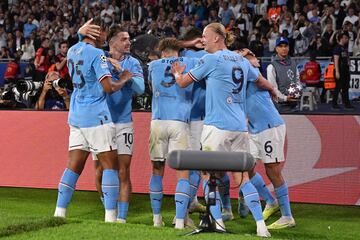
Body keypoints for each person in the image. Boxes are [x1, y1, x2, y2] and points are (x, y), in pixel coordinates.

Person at [172, 22, 277, 237]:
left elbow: (183, 83)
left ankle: (218, 224)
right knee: (243, 178)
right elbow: (261, 81)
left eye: (205, 36)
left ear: (217, 38)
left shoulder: (210, 59)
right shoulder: (241, 60)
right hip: (240, 127)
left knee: (207, 175)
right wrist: (275, 92)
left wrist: (176, 74)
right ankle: (261, 227)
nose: (202, 40)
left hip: (216, 127)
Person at [53, 17, 133, 223]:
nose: (106, 38)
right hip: (97, 116)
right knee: (110, 167)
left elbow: (82, 47)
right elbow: (108, 87)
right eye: (105, 33)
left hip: (76, 116)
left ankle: (59, 212)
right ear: (97, 32)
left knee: (73, 166)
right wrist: (123, 78)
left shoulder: (72, 50)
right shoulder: (98, 55)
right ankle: (110, 218)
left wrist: (80, 34)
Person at [90, 24, 145, 223]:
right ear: (112, 42)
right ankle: (108, 209)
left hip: (123, 122)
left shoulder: (133, 63)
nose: (128, 42)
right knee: (100, 170)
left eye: (129, 39)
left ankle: (120, 218)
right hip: (101, 122)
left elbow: (140, 88)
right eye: (124, 39)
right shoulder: (99, 58)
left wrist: (123, 72)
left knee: (123, 170)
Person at [148, 38, 198, 229]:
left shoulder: (152, 66)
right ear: (179, 51)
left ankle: (156, 219)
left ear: (162, 51)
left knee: (157, 170)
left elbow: (152, 89)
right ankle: (179, 221)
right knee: (182, 173)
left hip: (158, 122)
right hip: (179, 122)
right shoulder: (189, 62)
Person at [242, 51, 296, 229]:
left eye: (254, 56)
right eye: (251, 55)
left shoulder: (252, 72)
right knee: (246, 167)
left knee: (272, 170)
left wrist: (241, 56)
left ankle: (287, 216)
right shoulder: (240, 74)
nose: (255, 58)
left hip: (270, 127)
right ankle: (270, 201)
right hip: (254, 129)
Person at [267, 36, 300, 113]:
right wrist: (285, 98)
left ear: (288, 48)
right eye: (280, 46)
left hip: (294, 105)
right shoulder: (272, 66)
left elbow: (298, 80)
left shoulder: (293, 63)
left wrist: (297, 93)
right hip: (280, 107)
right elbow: (273, 88)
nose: (284, 48)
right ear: (276, 49)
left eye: (285, 46)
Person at [332, 32, 355, 110]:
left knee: (345, 88)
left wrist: (348, 63)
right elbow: (336, 59)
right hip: (340, 70)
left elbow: (346, 58)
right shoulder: (337, 48)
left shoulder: (344, 48)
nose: (347, 39)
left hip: (345, 70)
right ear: (342, 38)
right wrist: (337, 72)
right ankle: (334, 104)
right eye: (346, 38)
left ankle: (347, 104)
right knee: (338, 88)